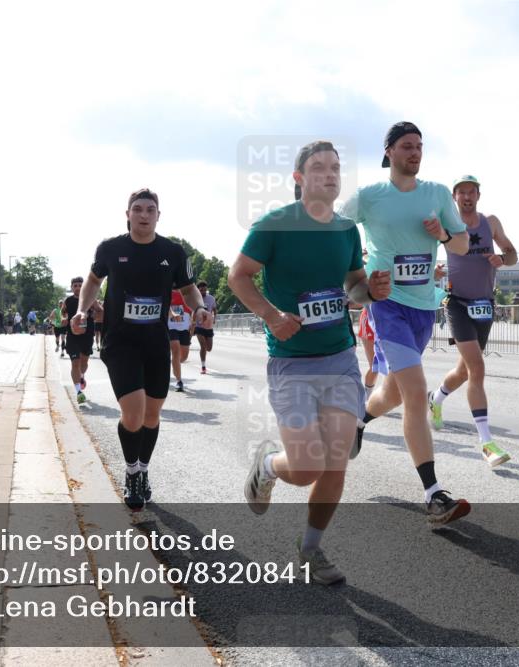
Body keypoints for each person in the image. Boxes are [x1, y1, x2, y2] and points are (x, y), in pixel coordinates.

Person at [232, 140, 391, 585]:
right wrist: (271, 316)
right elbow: (237, 275)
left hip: (339, 356)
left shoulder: (345, 231)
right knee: (305, 468)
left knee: (335, 459)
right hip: (291, 362)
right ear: (299, 179)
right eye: (319, 167)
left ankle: (311, 549)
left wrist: (370, 291)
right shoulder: (275, 225)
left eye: (336, 167)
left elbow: (354, 286)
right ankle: (267, 466)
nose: (330, 174)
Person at [340, 122, 471, 526]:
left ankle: (359, 420)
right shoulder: (369, 196)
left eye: (419, 146)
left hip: (422, 308)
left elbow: (463, 245)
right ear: (389, 152)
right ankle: (434, 495)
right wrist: (355, 274)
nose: (415, 152)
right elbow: (334, 230)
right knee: (416, 393)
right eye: (406, 146)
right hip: (386, 304)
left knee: (395, 393)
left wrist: (443, 235)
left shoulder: (435, 194)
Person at [73, 188, 206, 511]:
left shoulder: (173, 252)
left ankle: (143, 469)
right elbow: (93, 282)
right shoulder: (111, 248)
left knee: (152, 415)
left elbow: (188, 290)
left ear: (158, 216)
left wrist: (198, 308)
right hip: (121, 343)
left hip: (155, 343)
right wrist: (82, 309)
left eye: (150, 209)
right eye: (138, 209)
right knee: (133, 413)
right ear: (128, 214)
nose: (144, 215)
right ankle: (132, 472)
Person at [428, 175, 519, 468]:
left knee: (465, 370)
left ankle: (436, 398)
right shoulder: (446, 225)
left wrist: (502, 260)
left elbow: (512, 253)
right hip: (456, 303)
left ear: (478, 195)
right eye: (461, 192)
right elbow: (427, 256)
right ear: (454, 197)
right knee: (477, 366)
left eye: (471, 192)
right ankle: (486, 443)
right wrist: (435, 272)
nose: (467, 197)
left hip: (484, 304)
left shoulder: (490, 222)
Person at [65, 278, 96, 404]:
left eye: (80, 285)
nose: (77, 287)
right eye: (75, 285)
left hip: (87, 335)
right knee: (75, 364)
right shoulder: (68, 301)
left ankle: (82, 376)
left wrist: (93, 314)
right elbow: (63, 314)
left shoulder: (90, 299)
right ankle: (78, 392)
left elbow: (100, 311)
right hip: (72, 336)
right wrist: (62, 319)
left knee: (84, 362)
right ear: (72, 287)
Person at [167, 289, 193, 391]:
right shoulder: (167, 289)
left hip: (184, 327)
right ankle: (179, 381)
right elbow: (165, 305)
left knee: (184, 357)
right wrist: (173, 313)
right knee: (176, 350)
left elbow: (193, 308)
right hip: (171, 326)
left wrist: (193, 323)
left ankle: (174, 363)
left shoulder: (188, 291)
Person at [194, 281, 216, 374]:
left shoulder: (211, 298)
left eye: (204, 289)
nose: (203, 291)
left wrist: (215, 318)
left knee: (209, 348)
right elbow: (193, 312)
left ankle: (203, 355)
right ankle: (203, 367)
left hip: (209, 326)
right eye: (201, 289)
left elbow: (214, 309)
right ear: (198, 290)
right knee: (203, 346)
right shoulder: (195, 299)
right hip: (199, 326)